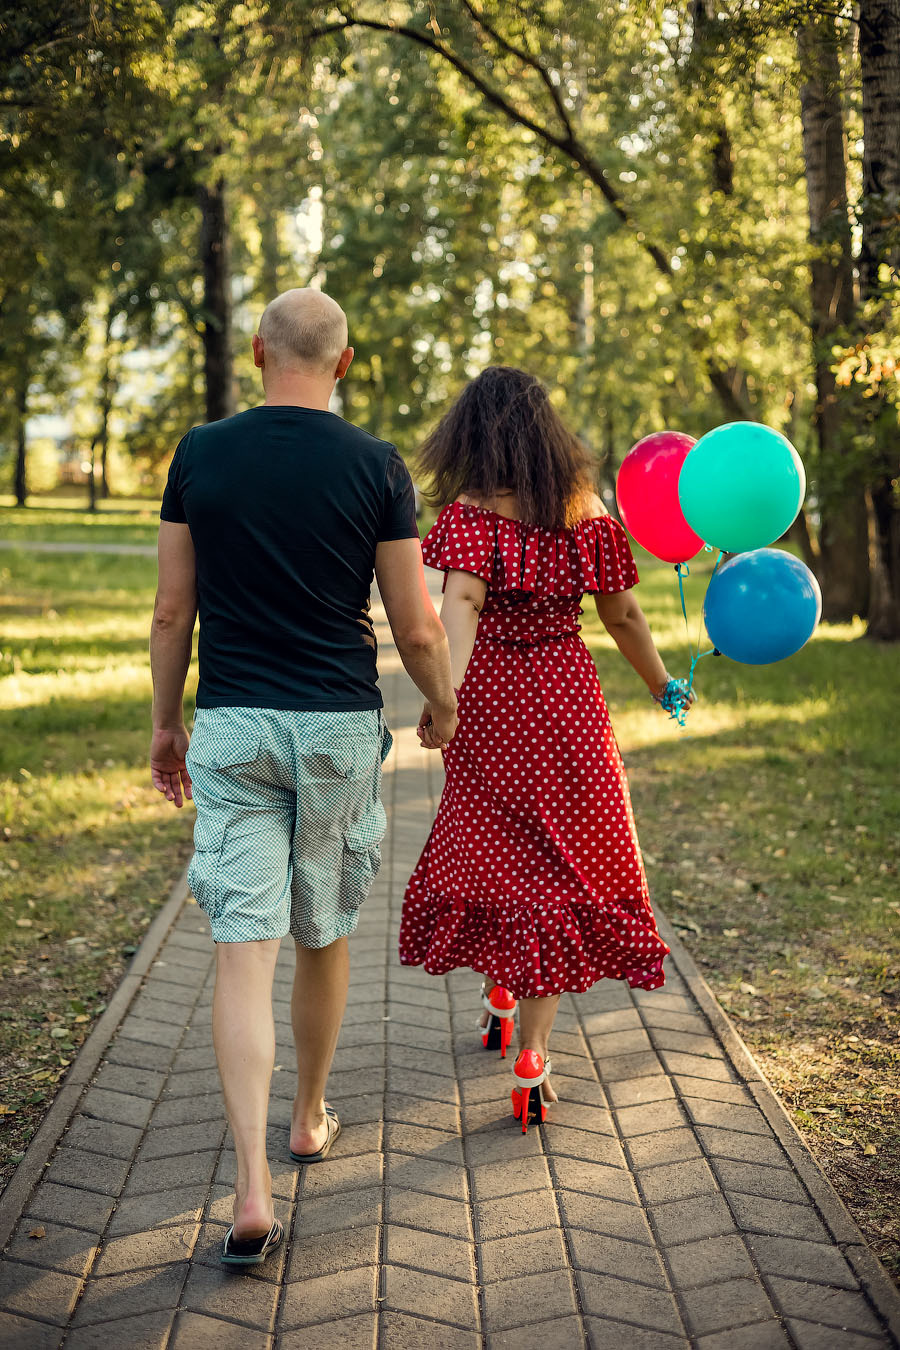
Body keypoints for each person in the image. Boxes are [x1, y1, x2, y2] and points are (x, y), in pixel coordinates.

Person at [150, 288, 457, 1264]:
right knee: (322, 930)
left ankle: (249, 1184)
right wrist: (442, 705)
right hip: (334, 729)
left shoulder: (200, 453)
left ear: (256, 351)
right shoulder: (376, 465)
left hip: (234, 726)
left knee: (244, 947)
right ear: (347, 360)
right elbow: (415, 624)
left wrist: (165, 724)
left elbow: (170, 612)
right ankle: (309, 1116)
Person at [400, 366, 687, 1132]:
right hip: (566, 700)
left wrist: (445, 701)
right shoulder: (584, 507)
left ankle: (501, 990)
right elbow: (622, 614)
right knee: (560, 862)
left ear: (471, 432)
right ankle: (531, 1053)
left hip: (491, 700)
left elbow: (460, 603)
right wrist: (662, 685)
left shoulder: (471, 513)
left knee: (499, 850)